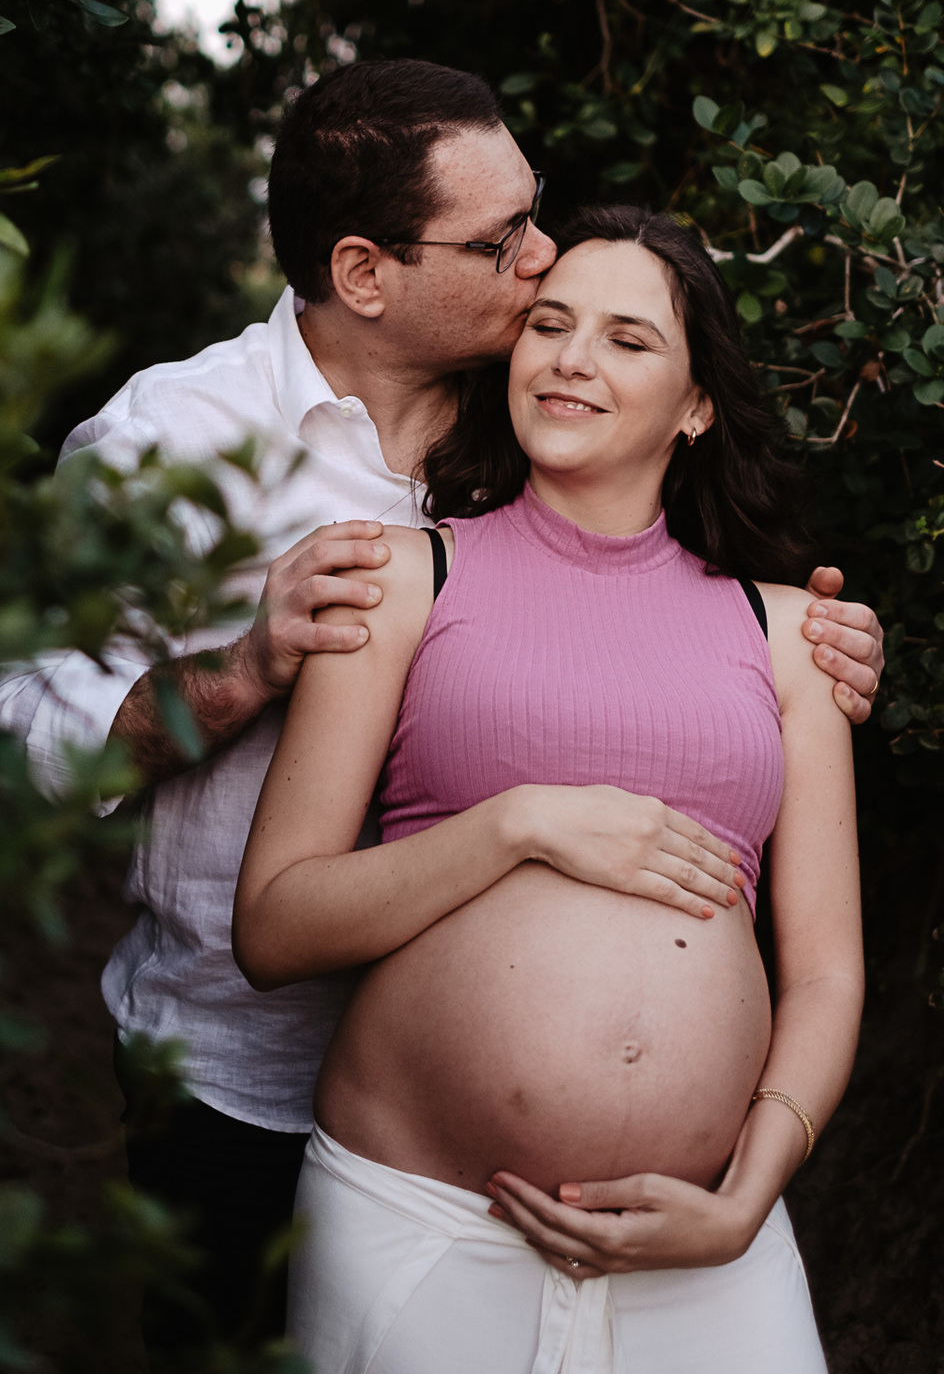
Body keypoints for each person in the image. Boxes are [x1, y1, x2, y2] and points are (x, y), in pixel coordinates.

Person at [0, 62, 882, 1343]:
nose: (543, 257)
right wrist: (239, 674)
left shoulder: (528, 415)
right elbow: (16, 740)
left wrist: (817, 642)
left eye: (538, 215)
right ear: (364, 275)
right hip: (243, 1076)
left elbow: (652, 567)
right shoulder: (172, 448)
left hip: (528, 1154)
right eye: (505, 239)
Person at [232, 204, 864, 1374]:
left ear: (697, 404)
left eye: (628, 339)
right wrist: (520, 825)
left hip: (708, 1248)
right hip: (420, 1223)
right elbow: (275, 925)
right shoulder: (398, 580)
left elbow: (825, 968)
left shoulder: (791, 638)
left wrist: (747, 1197)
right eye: (552, 324)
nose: (572, 357)